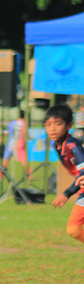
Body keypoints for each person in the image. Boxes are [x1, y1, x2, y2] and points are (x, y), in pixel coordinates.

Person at [45, 105, 84, 246]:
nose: (52, 129)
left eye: (58, 124)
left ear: (69, 125)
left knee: (73, 229)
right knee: (73, 229)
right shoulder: (57, 146)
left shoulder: (73, 146)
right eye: (48, 125)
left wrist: (67, 193)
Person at [0, 110, 31, 181]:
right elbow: (26, 135)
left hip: (10, 145)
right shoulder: (24, 124)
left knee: (5, 162)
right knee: (24, 162)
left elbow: (5, 134)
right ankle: (30, 176)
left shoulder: (12, 123)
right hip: (19, 145)